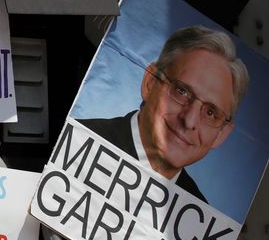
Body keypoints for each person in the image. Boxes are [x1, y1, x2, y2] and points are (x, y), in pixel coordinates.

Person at [79, 25, 248, 202]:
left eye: (211, 112)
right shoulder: (78, 140)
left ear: (221, 134)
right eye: (181, 91)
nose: (189, 121)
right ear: (150, 82)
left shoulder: (197, 217)